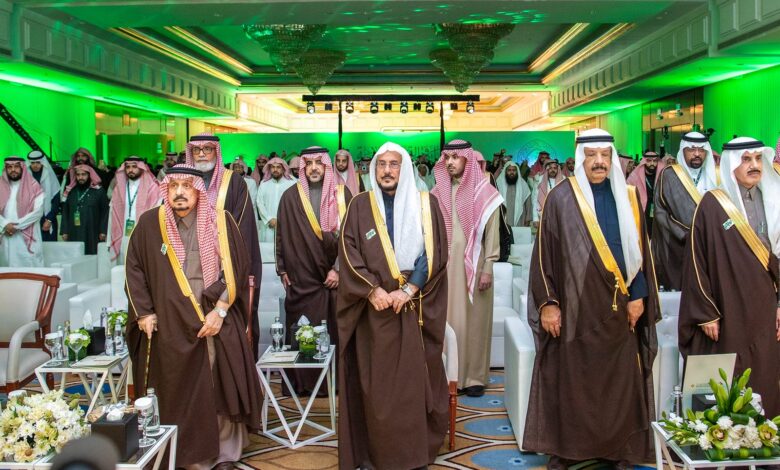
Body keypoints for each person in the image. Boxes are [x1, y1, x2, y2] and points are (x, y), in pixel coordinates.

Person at [523, 129, 658, 468]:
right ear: (580, 158)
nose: (599, 162)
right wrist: (549, 304)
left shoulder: (629, 197)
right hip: (575, 309)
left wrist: (638, 296)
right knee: (574, 381)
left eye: (605, 155)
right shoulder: (561, 198)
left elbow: (640, 253)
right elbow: (544, 256)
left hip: (620, 308)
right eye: (592, 155)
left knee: (618, 384)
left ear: (612, 158)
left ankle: (618, 450)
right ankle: (569, 450)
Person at [125, 164, 262, 469]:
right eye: (174, 186)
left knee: (216, 383)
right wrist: (144, 312)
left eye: (187, 186)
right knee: (175, 388)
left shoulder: (220, 221)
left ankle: (223, 454)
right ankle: (178, 452)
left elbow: (236, 270)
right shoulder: (149, 223)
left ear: (200, 191)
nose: (179, 193)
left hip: (212, 318)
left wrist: (220, 311)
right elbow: (134, 269)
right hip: (168, 322)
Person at [337, 142, 449, 470]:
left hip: (414, 307)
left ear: (405, 168)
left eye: (394, 164)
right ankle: (376, 454)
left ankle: (412, 454)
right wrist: (371, 290)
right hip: (373, 312)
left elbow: (434, 251)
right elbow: (348, 250)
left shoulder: (426, 203)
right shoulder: (359, 205)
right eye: (382, 164)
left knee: (411, 385)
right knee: (377, 387)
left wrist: (409, 289)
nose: (387, 170)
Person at [679, 137, 780, 417]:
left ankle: (766, 435)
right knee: (730, 376)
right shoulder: (712, 205)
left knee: (765, 372)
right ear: (731, 164)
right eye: (746, 160)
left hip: (765, 307)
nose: (754, 166)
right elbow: (696, 260)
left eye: (757, 159)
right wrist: (705, 313)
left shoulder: (774, 200)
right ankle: (728, 437)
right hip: (728, 308)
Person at [276, 147, 350, 394]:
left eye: (319, 162)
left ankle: (333, 384)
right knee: (302, 330)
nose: (314, 168)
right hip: (302, 279)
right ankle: (304, 384)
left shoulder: (342, 195)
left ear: (327, 166)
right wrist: (282, 269)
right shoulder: (290, 197)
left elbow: (352, 238)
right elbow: (281, 236)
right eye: (309, 163)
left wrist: (338, 269)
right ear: (303, 167)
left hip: (334, 279)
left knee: (334, 329)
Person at [431, 139, 502, 397]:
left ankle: (473, 377)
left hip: (477, 267)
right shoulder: (437, 192)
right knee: (448, 321)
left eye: (455, 157)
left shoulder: (485, 192)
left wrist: (488, 266)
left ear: (467, 159)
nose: (449, 163)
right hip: (445, 268)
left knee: (475, 323)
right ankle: (449, 376)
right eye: (446, 158)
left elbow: (492, 234)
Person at [185, 133, 262, 359]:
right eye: (197, 150)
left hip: (227, 268)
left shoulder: (235, 183)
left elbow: (242, 229)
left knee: (230, 334)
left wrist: (229, 268)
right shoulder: (183, 183)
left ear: (216, 152)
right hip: (191, 267)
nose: (201, 154)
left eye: (207, 149)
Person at [653, 132, 718, 290]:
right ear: (682, 151)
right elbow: (661, 212)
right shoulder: (669, 175)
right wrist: (686, 234)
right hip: (678, 245)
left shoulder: (716, 176)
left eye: (701, 150)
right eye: (691, 149)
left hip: (711, 245)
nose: (697, 154)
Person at [108, 156, 160, 261]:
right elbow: (112, 214)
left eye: (134, 167)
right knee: (124, 264)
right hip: (124, 235)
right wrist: (109, 239)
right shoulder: (119, 188)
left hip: (143, 235)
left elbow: (157, 214)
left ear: (141, 168)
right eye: (128, 167)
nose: (130, 170)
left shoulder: (152, 188)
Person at [0, 156, 44, 267]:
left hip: (26, 235)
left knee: (28, 267)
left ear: (22, 168)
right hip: (5, 234)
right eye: (9, 167)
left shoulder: (34, 187)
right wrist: (5, 224)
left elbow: (38, 212)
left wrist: (16, 226)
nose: (13, 170)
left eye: (16, 166)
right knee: (7, 265)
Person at [61, 165, 108, 255]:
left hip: (92, 231)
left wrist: (103, 231)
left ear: (89, 175)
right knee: (75, 254)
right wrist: (64, 231)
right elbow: (65, 212)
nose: (80, 177)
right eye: (78, 175)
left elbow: (105, 212)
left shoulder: (99, 191)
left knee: (91, 254)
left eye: (83, 174)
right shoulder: (70, 191)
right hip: (74, 230)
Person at [256, 157, 296, 244]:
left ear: (283, 169)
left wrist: (284, 220)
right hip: (269, 225)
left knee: (287, 247)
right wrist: (269, 219)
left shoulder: (291, 184)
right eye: (273, 167)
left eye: (278, 167)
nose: (275, 169)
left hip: (287, 224)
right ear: (269, 169)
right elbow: (260, 203)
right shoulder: (264, 184)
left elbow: (295, 205)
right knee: (268, 249)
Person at [626, 150, 664, 232]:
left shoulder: (662, 175)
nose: (652, 164)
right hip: (642, 211)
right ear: (644, 162)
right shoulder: (635, 176)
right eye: (649, 161)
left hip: (658, 210)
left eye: (655, 161)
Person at [26, 150, 60, 241]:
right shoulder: (25, 178)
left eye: (38, 162)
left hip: (47, 218)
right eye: (32, 163)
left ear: (42, 163)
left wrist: (49, 219)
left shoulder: (50, 176)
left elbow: (56, 200)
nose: (35, 165)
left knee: (49, 247)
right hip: (30, 219)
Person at [496, 161, 531, 227]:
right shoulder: (498, 183)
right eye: (509, 170)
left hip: (520, 218)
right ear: (505, 171)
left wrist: (528, 218)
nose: (512, 172)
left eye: (514, 170)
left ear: (517, 171)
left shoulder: (523, 184)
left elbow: (528, 203)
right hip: (503, 217)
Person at [534, 159, 565, 224]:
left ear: (558, 169)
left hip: (560, 214)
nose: (552, 170)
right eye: (550, 168)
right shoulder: (540, 180)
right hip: (544, 214)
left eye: (555, 168)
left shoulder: (563, 179)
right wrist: (535, 218)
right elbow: (535, 200)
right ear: (547, 169)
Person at [229, 157, 259, 225]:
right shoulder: (228, 182)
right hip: (232, 214)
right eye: (236, 167)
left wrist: (241, 211)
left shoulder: (251, 182)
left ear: (244, 169)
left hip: (247, 212)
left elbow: (252, 199)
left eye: (240, 167)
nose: (238, 169)